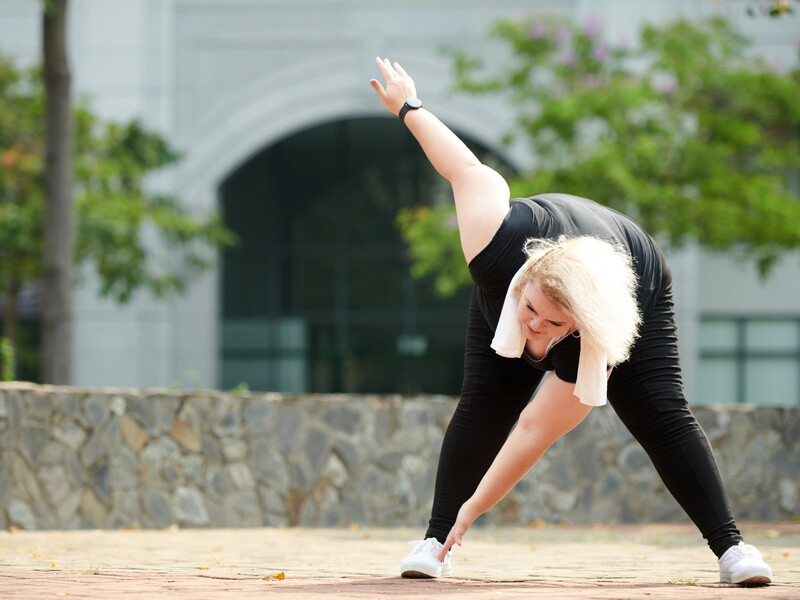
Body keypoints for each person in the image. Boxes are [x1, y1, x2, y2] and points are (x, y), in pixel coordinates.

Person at [369, 56, 774, 586]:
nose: (534, 327)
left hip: (633, 274)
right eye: (531, 311)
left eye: (550, 324)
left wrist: (476, 511)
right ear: (526, 277)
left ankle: (733, 549)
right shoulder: (496, 246)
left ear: (578, 328)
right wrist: (408, 105)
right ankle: (433, 539)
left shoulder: (601, 332)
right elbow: (467, 169)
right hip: (541, 268)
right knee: (484, 403)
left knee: (660, 412)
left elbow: (535, 430)